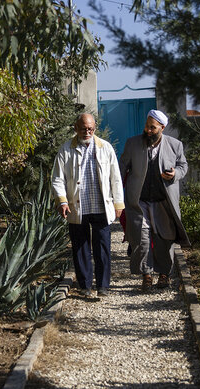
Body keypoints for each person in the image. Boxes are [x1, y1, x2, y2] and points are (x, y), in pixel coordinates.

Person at [51, 113, 124, 297]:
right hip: (78, 207)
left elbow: (115, 178)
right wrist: (62, 201)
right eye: (83, 128)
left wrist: (118, 203)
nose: (87, 132)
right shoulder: (66, 149)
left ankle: (103, 286)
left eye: (90, 128)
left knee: (103, 247)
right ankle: (84, 286)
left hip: (101, 205)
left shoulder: (105, 148)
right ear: (76, 127)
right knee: (80, 247)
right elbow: (57, 179)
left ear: (95, 128)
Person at [119, 109, 190, 291]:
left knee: (164, 239)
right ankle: (147, 275)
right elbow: (122, 168)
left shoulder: (175, 145)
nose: (148, 130)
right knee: (141, 239)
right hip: (139, 201)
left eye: (153, 127)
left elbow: (183, 166)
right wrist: (118, 196)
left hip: (163, 202)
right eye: (146, 126)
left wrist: (175, 174)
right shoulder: (132, 143)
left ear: (162, 127)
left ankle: (164, 274)